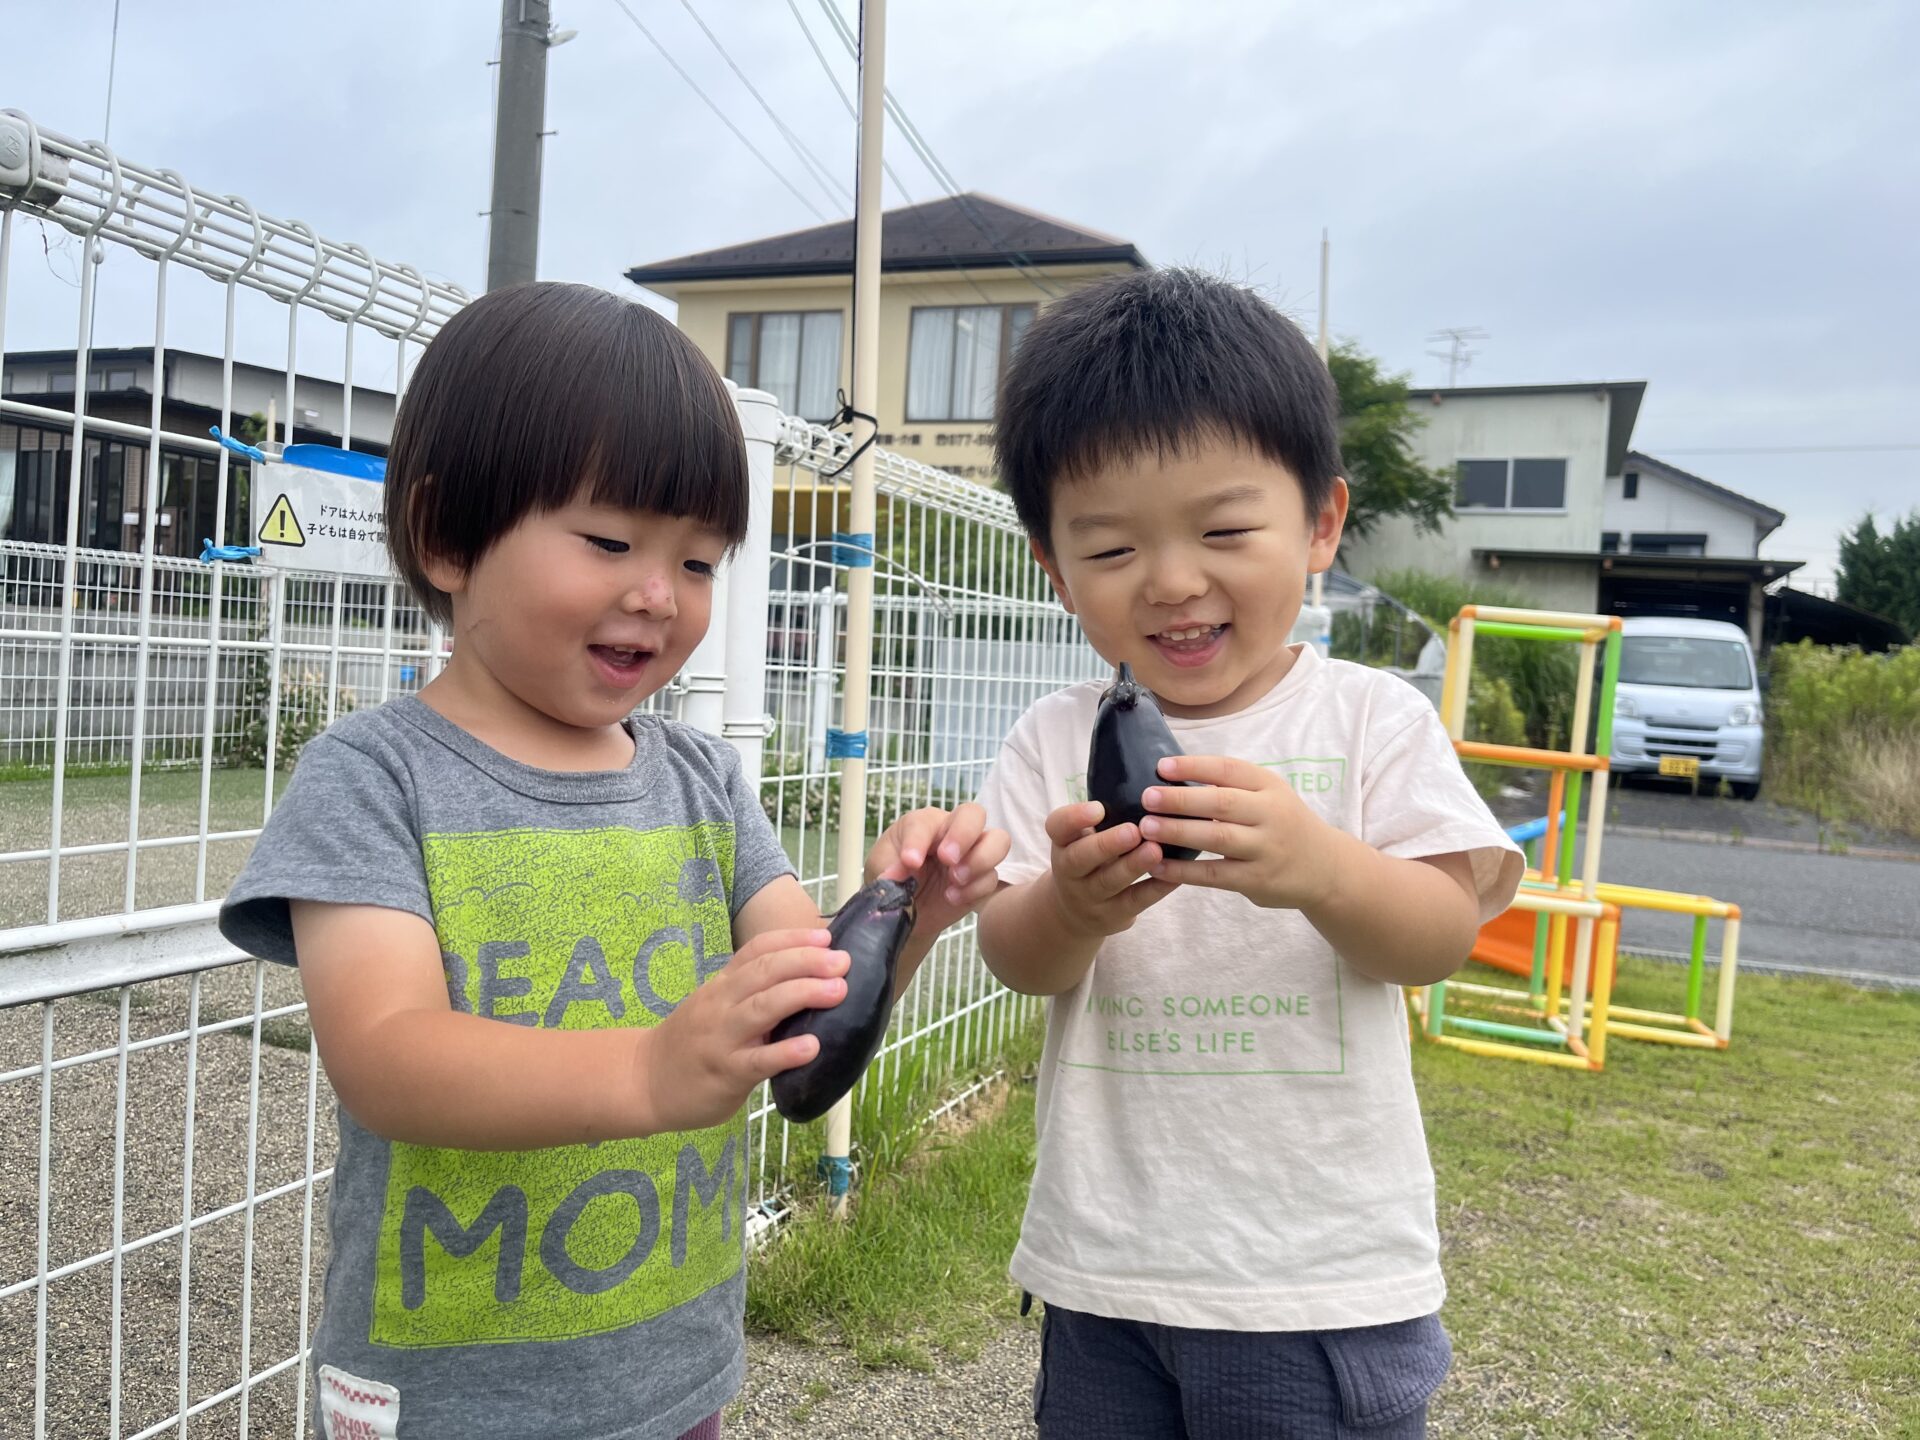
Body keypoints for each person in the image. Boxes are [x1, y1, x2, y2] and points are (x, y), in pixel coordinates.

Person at [219, 281, 1007, 1440]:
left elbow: (804, 990)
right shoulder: (376, 777)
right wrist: (646, 1074)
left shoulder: (700, 782)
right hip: (454, 1400)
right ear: (446, 536)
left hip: (673, 1373)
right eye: (609, 542)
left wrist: (905, 914)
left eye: (698, 563)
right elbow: (386, 1055)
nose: (659, 595)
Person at [975, 268, 1523, 1439]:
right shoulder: (1057, 738)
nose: (1173, 580)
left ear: (1320, 524)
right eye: (1113, 549)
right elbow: (1018, 959)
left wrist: (1321, 866)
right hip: (1106, 1269)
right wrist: (1075, 906)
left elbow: (1438, 937)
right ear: (1052, 564)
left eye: (1225, 530)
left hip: (1316, 1280)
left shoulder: (1371, 720)